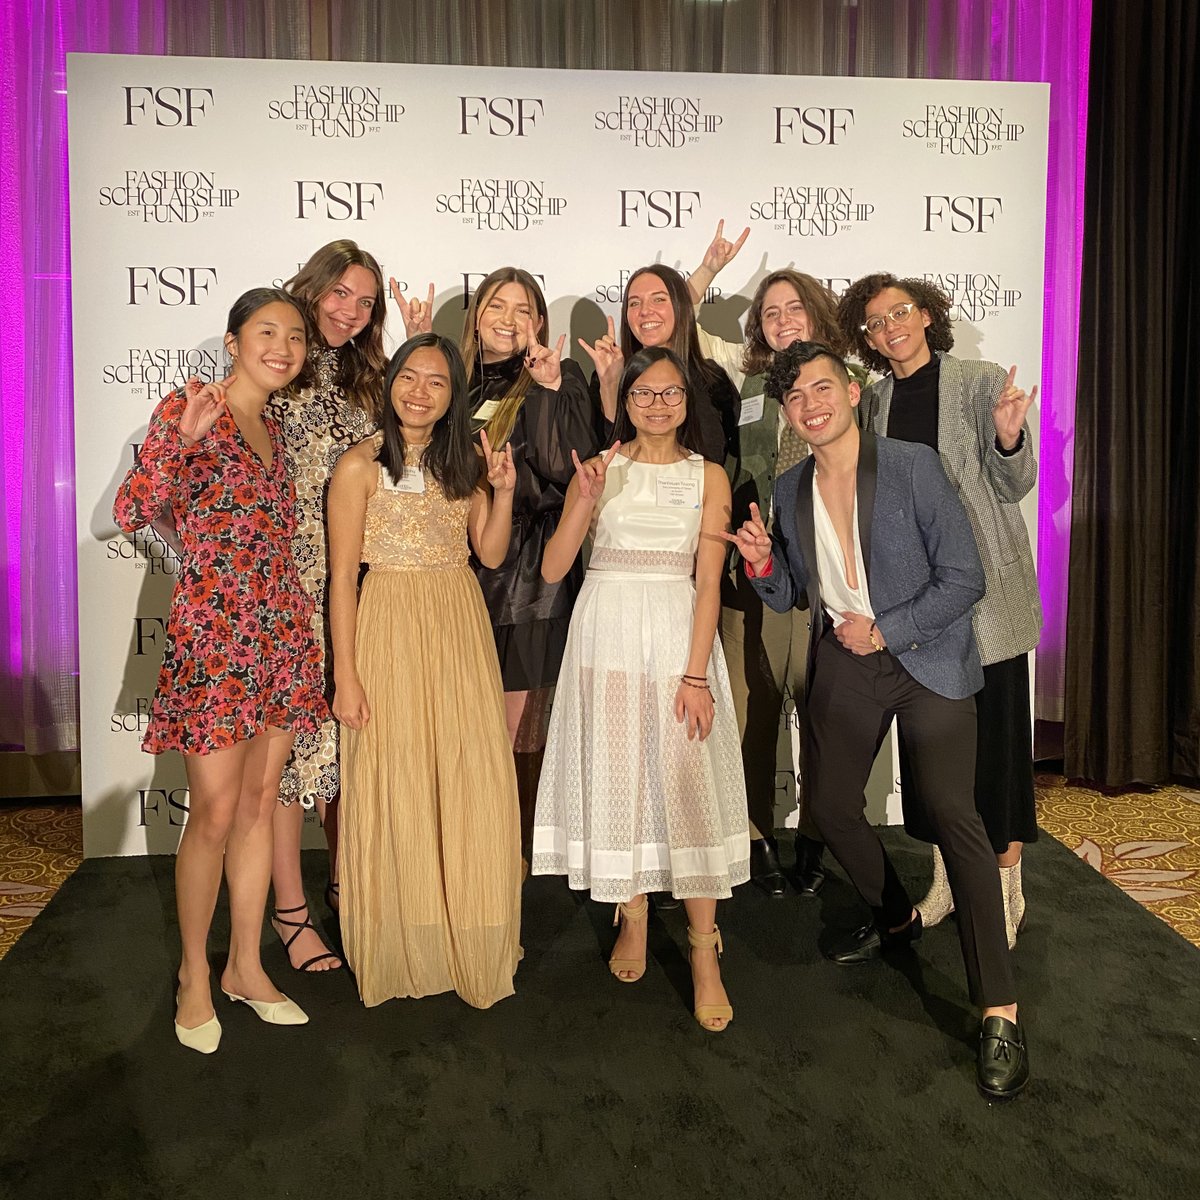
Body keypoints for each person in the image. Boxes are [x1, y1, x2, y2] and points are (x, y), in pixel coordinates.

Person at [729, 340, 1028, 1098]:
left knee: (955, 815)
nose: (810, 404)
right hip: (848, 667)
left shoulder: (913, 467)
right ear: (789, 412)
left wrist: (888, 628)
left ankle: (999, 1007)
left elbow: (965, 577)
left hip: (925, 658)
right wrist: (764, 565)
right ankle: (896, 918)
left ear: (854, 392)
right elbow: (795, 590)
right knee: (829, 806)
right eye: (795, 396)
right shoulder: (789, 485)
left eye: (822, 388)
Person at [113, 287, 326, 1053]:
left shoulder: (274, 429)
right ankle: (193, 976)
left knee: (259, 806)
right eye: (266, 332)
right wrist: (177, 442)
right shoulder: (189, 405)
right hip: (215, 637)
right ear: (233, 340)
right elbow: (134, 508)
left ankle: (245, 966)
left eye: (296, 336)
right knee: (211, 811)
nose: (283, 346)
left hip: (279, 632)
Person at [533, 347, 750, 1033]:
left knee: (686, 789)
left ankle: (703, 947)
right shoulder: (600, 468)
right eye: (644, 393)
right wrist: (585, 501)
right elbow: (555, 565)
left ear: (687, 401)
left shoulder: (709, 477)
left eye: (671, 392)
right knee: (622, 777)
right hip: (607, 638)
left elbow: (710, 580)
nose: (658, 403)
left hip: (677, 638)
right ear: (623, 401)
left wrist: (695, 675)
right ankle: (630, 912)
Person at [838, 274, 1041, 946]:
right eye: (875, 321)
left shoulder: (982, 383)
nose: (890, 326)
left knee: (999, 754)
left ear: (926, 314)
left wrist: (1009, 438)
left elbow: (1014, 487)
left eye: (900, 311)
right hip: (919, 608)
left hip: (987, 600)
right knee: (932, 755)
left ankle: (1007, 887)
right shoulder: (873, 404)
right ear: (866, 339)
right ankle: (949, 883)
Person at [327, 333, 523, 1009]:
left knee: (467, 775)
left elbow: (491, 554)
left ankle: (465, 932)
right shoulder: (358, 466)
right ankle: (404, 939)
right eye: (410, 377)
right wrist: (345, 675)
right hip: (386, 621)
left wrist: (503, 492)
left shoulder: (465, 455)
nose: (420, 392)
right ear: (391, 383)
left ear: (454, 395)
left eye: (437, 382)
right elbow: (341, 581)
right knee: (398, 777)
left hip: (458, 621)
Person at [682, 220, 857, 897]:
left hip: (827, 585)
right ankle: (753, 839)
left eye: (795, 308)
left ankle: (814, 842)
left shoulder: (853, 386)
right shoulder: (748, 381)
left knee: (818, 715)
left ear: (817, 314)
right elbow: (680, 332)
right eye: (771, 312)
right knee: (752, 714)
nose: (783, 321)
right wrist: (705, 271)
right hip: (752, 578)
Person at [265, 239, 386, 973]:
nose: (350, 310)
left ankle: (349, 887)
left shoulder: (369, 383)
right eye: (340, 292)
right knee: (287, 764)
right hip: (285, 597)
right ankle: (289, 912)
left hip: (356, 590)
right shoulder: (273, 370)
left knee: (349, 753)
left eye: (365, 301)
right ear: (311, 288)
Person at [450, 267, 598, 867]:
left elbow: (568, 471)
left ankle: (504, 860)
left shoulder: (558, 380)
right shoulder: (452, 379)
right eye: (496, 306)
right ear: (477, 315)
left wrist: (549, 388)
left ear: (540, 323)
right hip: (457, 571)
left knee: (511, 736)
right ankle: (468, 851)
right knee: (461, 727)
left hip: (530, 578)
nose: (509, 320)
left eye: (523, 310)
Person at [581, 263, 740, 468]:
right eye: (634, 303)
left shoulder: (711, 379)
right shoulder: (607, 376)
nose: (645, 311)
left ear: (680, 306)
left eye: (659, 299)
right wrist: (612, 385)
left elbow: (719, 457)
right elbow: (607, 457)